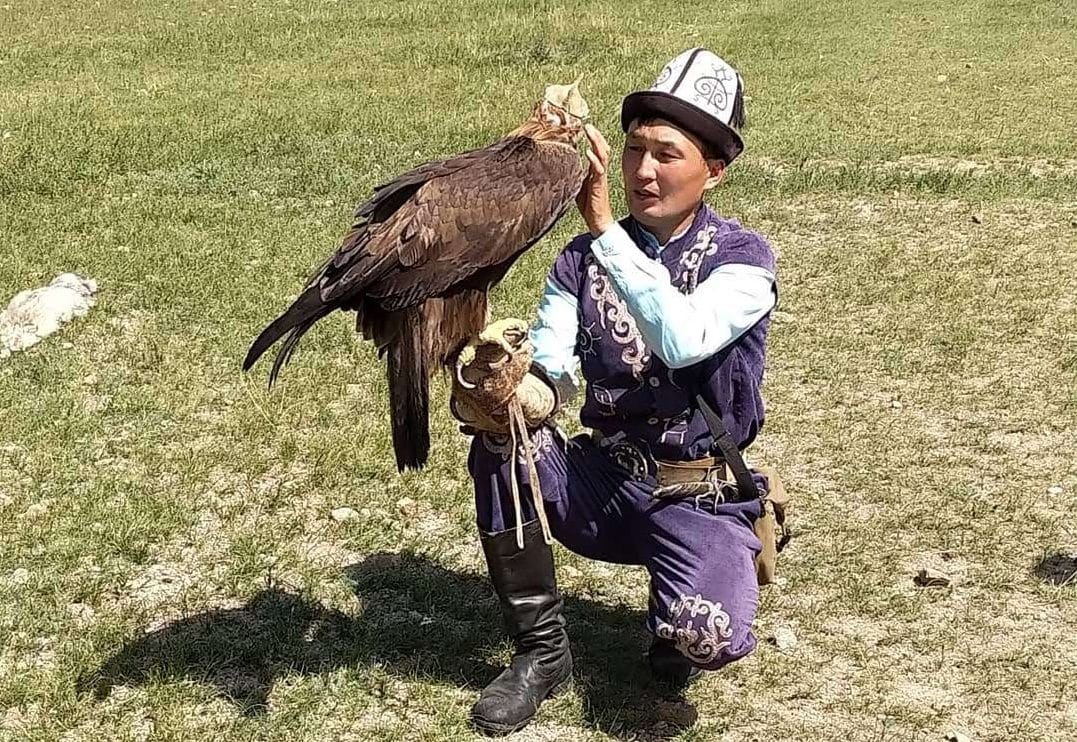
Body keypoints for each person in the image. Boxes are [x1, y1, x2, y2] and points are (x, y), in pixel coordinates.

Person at [453, 48, 779, 736]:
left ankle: (706, 573)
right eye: (632, 150)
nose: (641, 171)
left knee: (702, 637)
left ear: (713, 170)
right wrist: (513, 390)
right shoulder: (576, 261)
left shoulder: (742, 259)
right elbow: (552, 359)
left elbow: (683, 337)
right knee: (500, 442)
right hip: (604, 480)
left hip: (700, 493)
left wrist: (604, 230)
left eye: (667, 153)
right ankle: (540, 656)